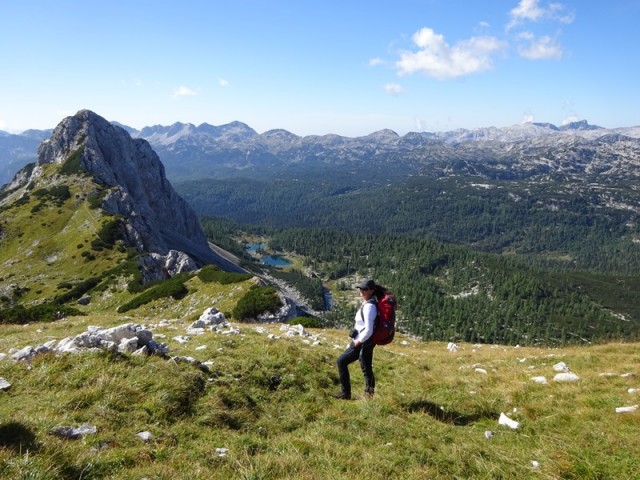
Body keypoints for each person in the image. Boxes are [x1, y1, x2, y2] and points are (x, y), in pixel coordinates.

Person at [333, 278, 378, 400]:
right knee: (366, 367)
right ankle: (368, 394)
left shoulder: (369, 307)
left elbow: (368, 330)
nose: (362, 291)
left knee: (342, 361)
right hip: (365, 341)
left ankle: (347, 393)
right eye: (360, 288)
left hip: (363, 341)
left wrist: (357, 342)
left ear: (372, 291)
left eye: (365, 289)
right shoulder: (368, 303)